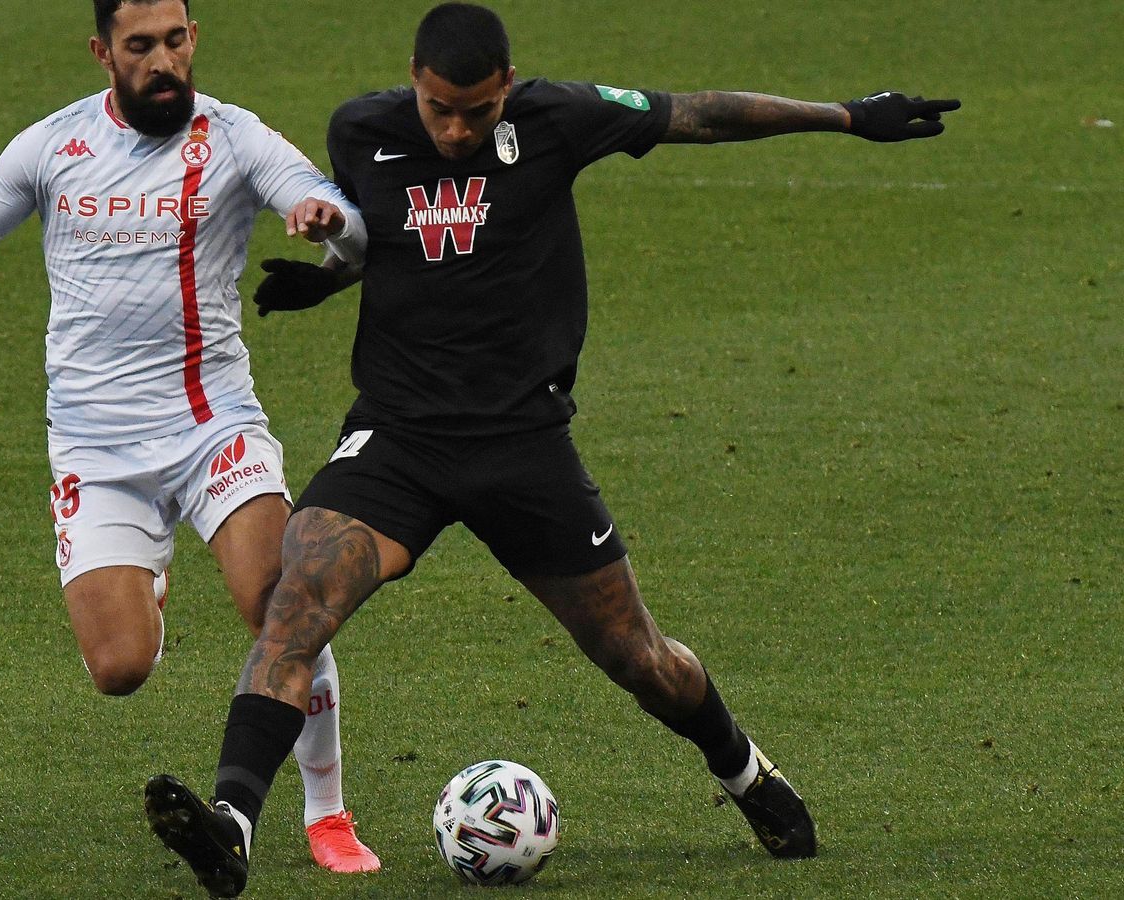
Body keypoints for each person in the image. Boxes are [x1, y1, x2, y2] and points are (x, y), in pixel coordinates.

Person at [143, 2, 961, 895]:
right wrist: (330, 279)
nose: (456, 131)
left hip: (522, 445)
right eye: (439, 109)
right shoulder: (360, 129)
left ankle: (744, 772)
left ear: (508, 85)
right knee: (293, 607)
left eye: (478, 112)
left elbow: (699, 113)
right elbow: (384, 236)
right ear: (414, 77)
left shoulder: (559, 117)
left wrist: (845, 114)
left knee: (636, 656)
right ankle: (231, 828)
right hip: (398, 438)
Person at [0, 0, 384, 875]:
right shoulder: (51, 146)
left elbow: (346, 219)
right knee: (119, 669)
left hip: (210, 423)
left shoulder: (234, 138)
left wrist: (326, 223)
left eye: (177, 42)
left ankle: (326, 813)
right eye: (141, 46)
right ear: (102, 52)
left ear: (194, 41)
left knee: (281, 603)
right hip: (94, 447)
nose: (164, 63)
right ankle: (141, 578)